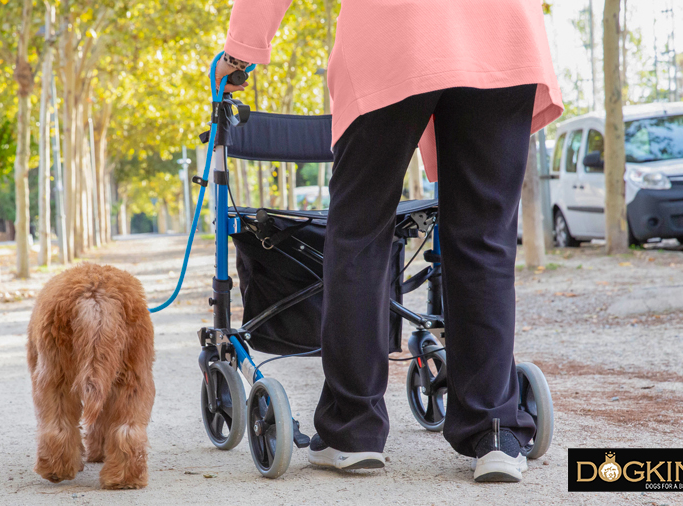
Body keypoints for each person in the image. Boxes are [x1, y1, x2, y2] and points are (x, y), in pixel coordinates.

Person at [215, 0, 562, 482]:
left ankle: (352, 431)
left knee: (359, 232)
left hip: (394, 33)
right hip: (502, 35)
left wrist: (240, 52)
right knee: (485, 238)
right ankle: (495, 431)